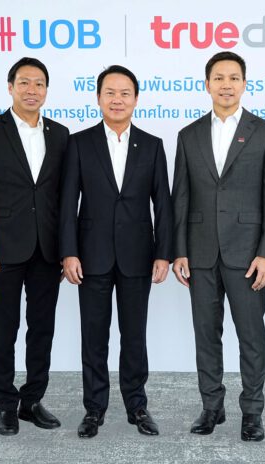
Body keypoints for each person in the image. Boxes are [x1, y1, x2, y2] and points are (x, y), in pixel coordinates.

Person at [172, 51, 265, 442]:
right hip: (200, 253)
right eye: (218, 78)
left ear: (244, 84)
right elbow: (180, 197)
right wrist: (179, 250)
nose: (226, 85)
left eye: (233, 78)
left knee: (251, 336)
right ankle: (212, 407)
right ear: (207, 84)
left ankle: (252, 412)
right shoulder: (188, 135)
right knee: (206, 335)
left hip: (249, 255)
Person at [60, 65, 173, 438]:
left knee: (134, 336)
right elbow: (67, 203)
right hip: (90, 256)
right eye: (110, 92)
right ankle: (94, 410)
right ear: (98, 98)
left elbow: (163, 204)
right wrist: (69, 252)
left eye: (125, 93)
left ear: (136, 99)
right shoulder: (79, 143)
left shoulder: (152, 145)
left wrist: (163, 253)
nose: (117, 99)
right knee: (94, 337)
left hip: (138, 256)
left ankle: (137, 406)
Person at [0, 57, 69, 435]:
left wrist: (66, 248)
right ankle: (6, 405)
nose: (32, 90)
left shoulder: (60, 134)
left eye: (39, 83)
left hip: (47, 249)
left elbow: (65, 197)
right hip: (1, 251)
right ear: (10, 87)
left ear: (46, 90)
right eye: (24, 82)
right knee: (3, 330)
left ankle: (32, 400)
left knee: (42, 329)